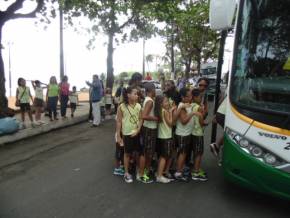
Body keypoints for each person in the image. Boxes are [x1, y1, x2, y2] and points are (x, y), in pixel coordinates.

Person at [116, 86, 142, 183]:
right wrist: (118, 135)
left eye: (137, 94)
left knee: (137, 153)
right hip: (126, 134)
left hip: (136, 133)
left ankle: (138, 170)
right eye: (135, 94)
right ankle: (126, 173)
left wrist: (138, 130)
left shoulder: (139, 106)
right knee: (127, 153)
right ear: (128, 95)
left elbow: (140, 119)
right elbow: (118, 121)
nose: (137, 96)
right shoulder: (121, 107)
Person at [174, 88, 199, 181]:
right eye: (188, 96)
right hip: (182, 134)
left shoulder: (185, 105)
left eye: (191, 95)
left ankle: (180, 168)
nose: (190, 97)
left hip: (185, 133)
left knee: (183, 153)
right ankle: (178, 173)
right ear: (182, 97)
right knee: (182, 153)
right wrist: (192, 113)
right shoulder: (182, 106)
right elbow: (184, 121)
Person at [138, 83, 158, 183]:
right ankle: (143, 173)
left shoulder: (148, 99)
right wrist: (156, 118)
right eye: (155, 89)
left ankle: (146, 170)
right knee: (147, 152)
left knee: (148, 151)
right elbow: (144, 116)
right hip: (149, 129)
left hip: (149, 128)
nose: (156, 91)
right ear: (151, 90)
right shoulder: (150, 101)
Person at [155, 95, 175, 183]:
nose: (168, 103)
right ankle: (159, 176)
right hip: (166, 137)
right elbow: (171, 124)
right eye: (166, 101)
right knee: (164, 157)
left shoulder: (160, 111)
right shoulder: (165, 112)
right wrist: (171, 112)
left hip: (160, 136)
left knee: (161, 156)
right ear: (161, 103)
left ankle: (158, 173)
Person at [191, 88, 208, 181]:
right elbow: (202, 121)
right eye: (200, 97)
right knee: (199, 153)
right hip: (198, 133)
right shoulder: (199, 107)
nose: (201, 99)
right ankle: (196, 172)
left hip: (192, 131)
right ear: (195, 97)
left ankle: (196, 168)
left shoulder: (192, 105)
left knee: (196, 152)